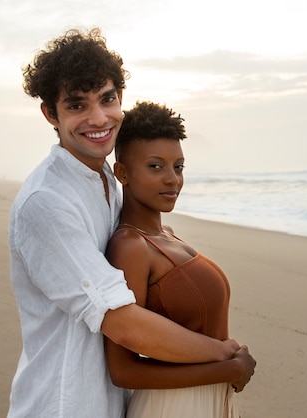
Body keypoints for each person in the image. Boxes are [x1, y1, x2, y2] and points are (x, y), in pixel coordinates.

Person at [8, 28, 246, 418]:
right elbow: (121, 321)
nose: (98, 118)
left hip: (114, 405)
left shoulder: (106, 182)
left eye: (107, 99)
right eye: (77, 105)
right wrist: (226, 356)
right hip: (64, 403)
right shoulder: (47, 201)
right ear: (51, 113)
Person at [105, 101, 256, 418]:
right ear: (122, 172)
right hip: (172, 407)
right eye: (156, 166)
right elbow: (123, 370)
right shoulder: (131, 246)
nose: (173, 179)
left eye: (179, 166)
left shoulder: (167, 234)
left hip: (208, 400)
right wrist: (227, 370)